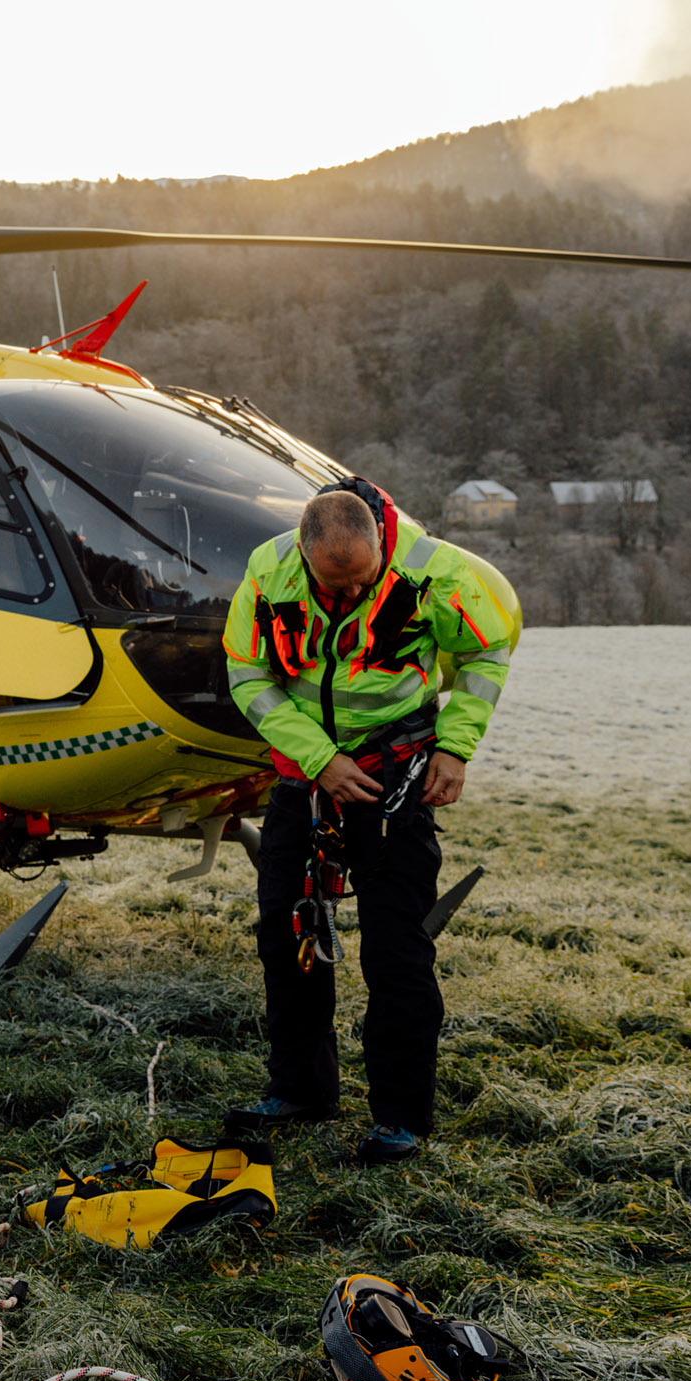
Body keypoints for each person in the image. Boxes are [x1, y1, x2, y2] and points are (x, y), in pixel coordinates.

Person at [221, 478, 521, 1164]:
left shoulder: (434, 573)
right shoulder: (268, 574)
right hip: (307, 777)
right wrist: (319, 759)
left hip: (396, 773)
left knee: (396, 950)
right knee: (285, 934)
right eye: (334, 584)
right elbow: (248, 673)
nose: (349, 595)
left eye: (361, 580)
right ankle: (300, 1088)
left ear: (381, 545)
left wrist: (455, 746)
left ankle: (401, 1117)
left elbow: (485, 651)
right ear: (301, 555)